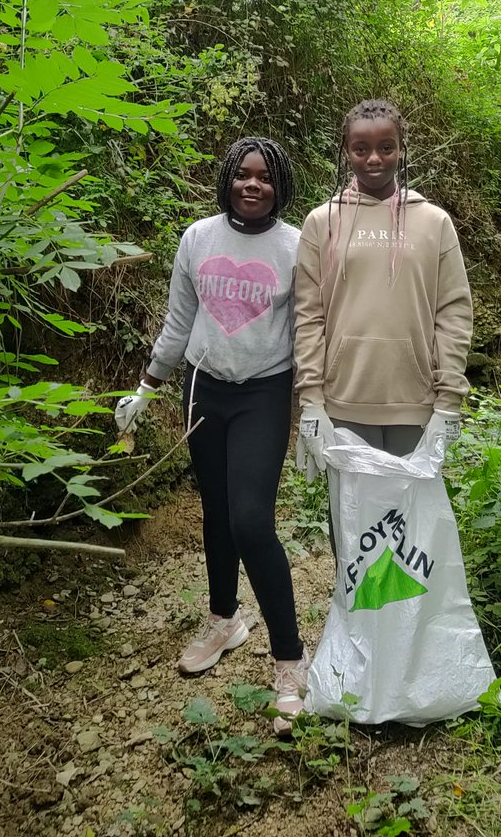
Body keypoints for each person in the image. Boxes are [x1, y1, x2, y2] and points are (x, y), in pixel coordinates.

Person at [114, 137, 310, 735]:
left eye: (265, 177)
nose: (252, 184)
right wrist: (147, 387)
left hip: (264, 392)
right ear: (227, 179)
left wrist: (313, 408)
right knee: (217, 515)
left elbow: (309, 331)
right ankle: (225, 619)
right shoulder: (198, 238)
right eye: (243, 174)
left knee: (251, 521)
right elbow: (179, 319)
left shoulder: (297, 246)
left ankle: (290, 659)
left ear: (280, 185)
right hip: (203, 386)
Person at [293, 99, 473, 471]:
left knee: (408, 509)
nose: (374, 158)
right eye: (361, 149)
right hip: (342, 403)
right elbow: (309, 317)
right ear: (346, 153)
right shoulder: (321, 222)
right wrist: (311, 402)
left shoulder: (434, 222)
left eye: (386, 147)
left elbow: (453, 313)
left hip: (416, 405)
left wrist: (448, 403)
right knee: (350, 511)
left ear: (401, 149)